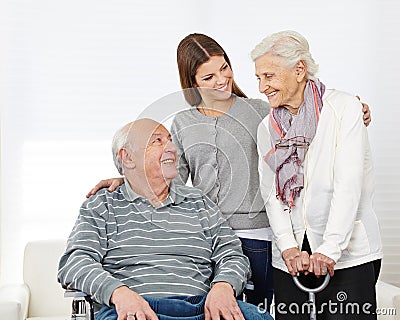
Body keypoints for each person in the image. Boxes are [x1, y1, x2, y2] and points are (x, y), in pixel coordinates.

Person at [86, 33, 372, 312]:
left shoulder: (261, 111)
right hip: (207, 239)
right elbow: (173, 176)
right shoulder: (183, 123)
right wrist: (129, 178)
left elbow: (305, 116)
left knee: (261, 310)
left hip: (259, 236)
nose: (222, 80)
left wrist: (352, 110)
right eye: (209, 78)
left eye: (224, 68)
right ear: (192, 83)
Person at [58, 118, 272, 320]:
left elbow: (232, 254)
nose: (171, 147)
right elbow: (75, 263)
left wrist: (224, 286)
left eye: (170, 140)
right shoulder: (102, 205)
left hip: (201, 307)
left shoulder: (198, 202)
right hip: (132, 308)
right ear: (128, 157)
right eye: (157, 141)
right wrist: (118, 293)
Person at [254, 30, 383, 319]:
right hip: (291, 257)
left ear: (299, 70)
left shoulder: (344, 108)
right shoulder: (267, 127)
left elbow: (348, 184)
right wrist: (287, 247)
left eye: (269, 76)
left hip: (348, 254)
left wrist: (330, 249)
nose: (262, 87)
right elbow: (272, 193)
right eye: (259, 77)